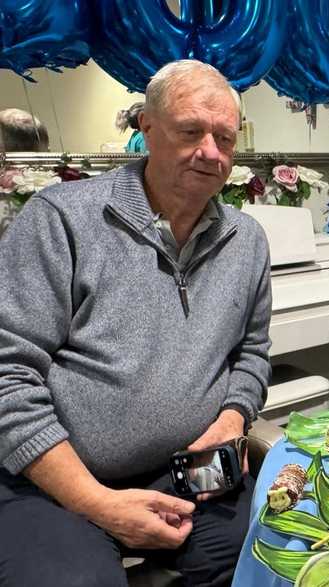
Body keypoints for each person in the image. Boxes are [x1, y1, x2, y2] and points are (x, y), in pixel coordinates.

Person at [0, 59, 272, 586]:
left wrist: (233, 418)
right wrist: (96, 502)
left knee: (273, 555)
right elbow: (7, 375)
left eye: (225, 138)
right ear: (147, 129)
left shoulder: (247, 241)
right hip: (48, 481)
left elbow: (252, 354)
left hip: (183, 475)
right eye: (190, 131)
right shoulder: (62, 219)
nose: (210, 153)